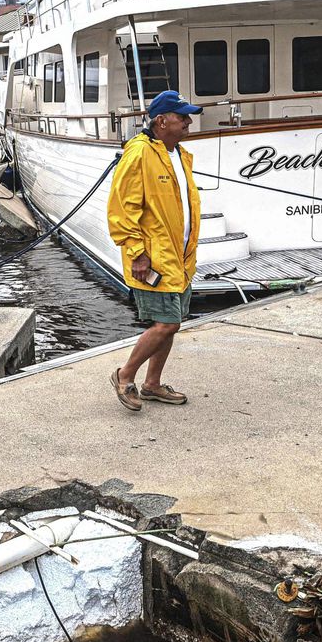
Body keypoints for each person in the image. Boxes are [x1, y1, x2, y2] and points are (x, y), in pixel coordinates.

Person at [107, 90, 201, 411]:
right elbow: (122, 210)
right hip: (154, 259)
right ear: (161, 121)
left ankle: (152, 384)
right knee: (166, 324)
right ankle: (124, 375)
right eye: (182, 116)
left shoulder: (177, 154)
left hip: (180, 258)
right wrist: (137, 252)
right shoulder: (139, 154)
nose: (189, 121)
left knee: (172, 322)